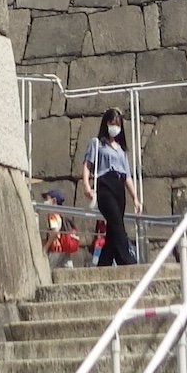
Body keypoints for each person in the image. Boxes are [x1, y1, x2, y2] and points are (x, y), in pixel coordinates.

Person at [81, 108, 139, 267]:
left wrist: (135, 198)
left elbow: (127, 176)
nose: (115, 127)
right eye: (112, 123)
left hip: (119, 187)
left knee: (113, 227)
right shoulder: (97, 143)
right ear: (106, 124)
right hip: (105, 184)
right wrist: (86, 185)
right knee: (116, 223)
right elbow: (87, 165)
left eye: (117, 124)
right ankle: (126, 260)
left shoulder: (121, 149)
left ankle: (104, 263)